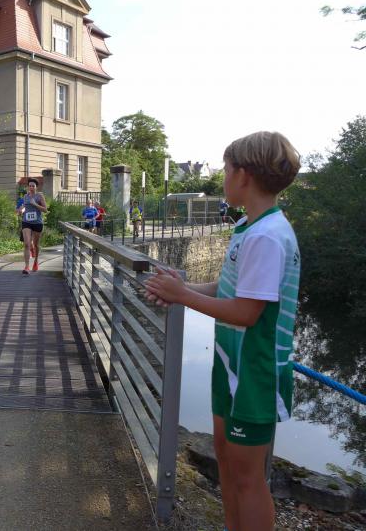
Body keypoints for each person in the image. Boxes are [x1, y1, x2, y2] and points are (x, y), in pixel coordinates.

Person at [145, 131, 301, 531]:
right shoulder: (249, 227)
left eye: (227, 168)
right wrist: (179, 289)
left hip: (256, 371)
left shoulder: (267, 236)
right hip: (233, 365)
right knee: (228, 465)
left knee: (248, 479)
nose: (224, 176)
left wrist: (182, 295)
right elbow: (228, 290)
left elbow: (246, 313)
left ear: (243, 175)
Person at [15, 179, 47, 274]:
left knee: (36, 245)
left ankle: (36, 261)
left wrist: (35, 204)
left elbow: (45, 210)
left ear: (36, 187)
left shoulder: (40, 196)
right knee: (26, 244)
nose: (31, 187)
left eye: (33, 186)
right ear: (28, 187)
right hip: (26, 222)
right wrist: (21, 210)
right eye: (30, 186)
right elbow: (24, 207)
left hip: (37, 223)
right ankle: (26, 267)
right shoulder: (25, 196)